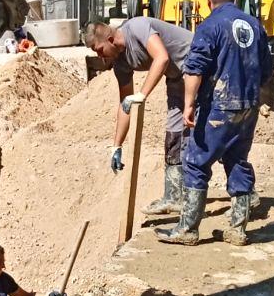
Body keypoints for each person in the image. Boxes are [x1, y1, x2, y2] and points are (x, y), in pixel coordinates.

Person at [159, 0, 273, 248]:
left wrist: (188, 105)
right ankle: (237, 230)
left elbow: (195, 69)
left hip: (220, 105)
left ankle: (187, 229)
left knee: (196, 162)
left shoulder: (210, 26)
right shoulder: (255, 25)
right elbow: (266, 70)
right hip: (248, 105)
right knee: (237, 161)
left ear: (208, 0)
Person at [83, 16, 193, 220]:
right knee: (173, 135)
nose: (100, 57)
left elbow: (162, 58)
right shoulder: (120, 63)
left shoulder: (137, 27)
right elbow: (125, 104)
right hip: (176, 77)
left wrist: (142, 94)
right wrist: (117, 145)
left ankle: (242, 189)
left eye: (98, 50)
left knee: (208, 132)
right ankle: (173, 197)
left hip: (197, 65)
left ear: (109, 39)